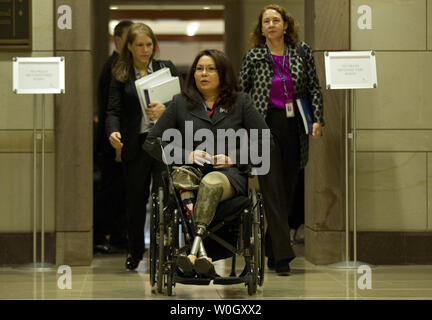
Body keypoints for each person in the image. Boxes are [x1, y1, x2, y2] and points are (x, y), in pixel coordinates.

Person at [143, 49, 269, 277]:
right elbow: (153, 142)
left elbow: (265, 140)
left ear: (223, 74)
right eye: (199, 69)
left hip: (228, 176)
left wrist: (234, 158)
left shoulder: (241, 103)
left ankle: (194, 252)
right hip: (189, 176)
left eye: (211, 69)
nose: (204, 73)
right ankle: (201, 256)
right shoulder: (180, 103)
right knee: (185, 182)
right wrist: (186, 155)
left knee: (210, 183)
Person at [239, 4, 324, 275]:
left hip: (296, 125)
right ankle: (284, 256)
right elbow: (242, 91)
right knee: (272, 189)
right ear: (261, 28)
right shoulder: (254, 57)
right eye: (267, 21)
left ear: (286, 25)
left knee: (287, 191)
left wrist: (317, 119)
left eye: (277, 20)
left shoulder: (302, 52)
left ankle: (272, 250)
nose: (272, 24)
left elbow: (313, 86)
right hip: (264, 125)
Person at [105, 23, 181, 271]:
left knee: (164, 197)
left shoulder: (165, 67)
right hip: (136, 145)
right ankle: (135, 251)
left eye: (149, 45)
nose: (145, 50)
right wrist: (113, 131)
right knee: (136, 200)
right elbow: (113, 110)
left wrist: (166, 108)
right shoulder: (121, 73)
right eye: (140, 45)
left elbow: (182, 103)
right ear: (129, 47)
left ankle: (165, 250)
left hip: (162, 142)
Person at [94, 20, 132, 254]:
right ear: (117, 40)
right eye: (129, 39)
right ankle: (101, 236)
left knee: (121, 191)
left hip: (118, 140)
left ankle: (118, 235)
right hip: (112, 142)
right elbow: (112, 109)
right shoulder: (114, 66)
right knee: (110, 192)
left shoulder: (121, 64)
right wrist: (118, 146)